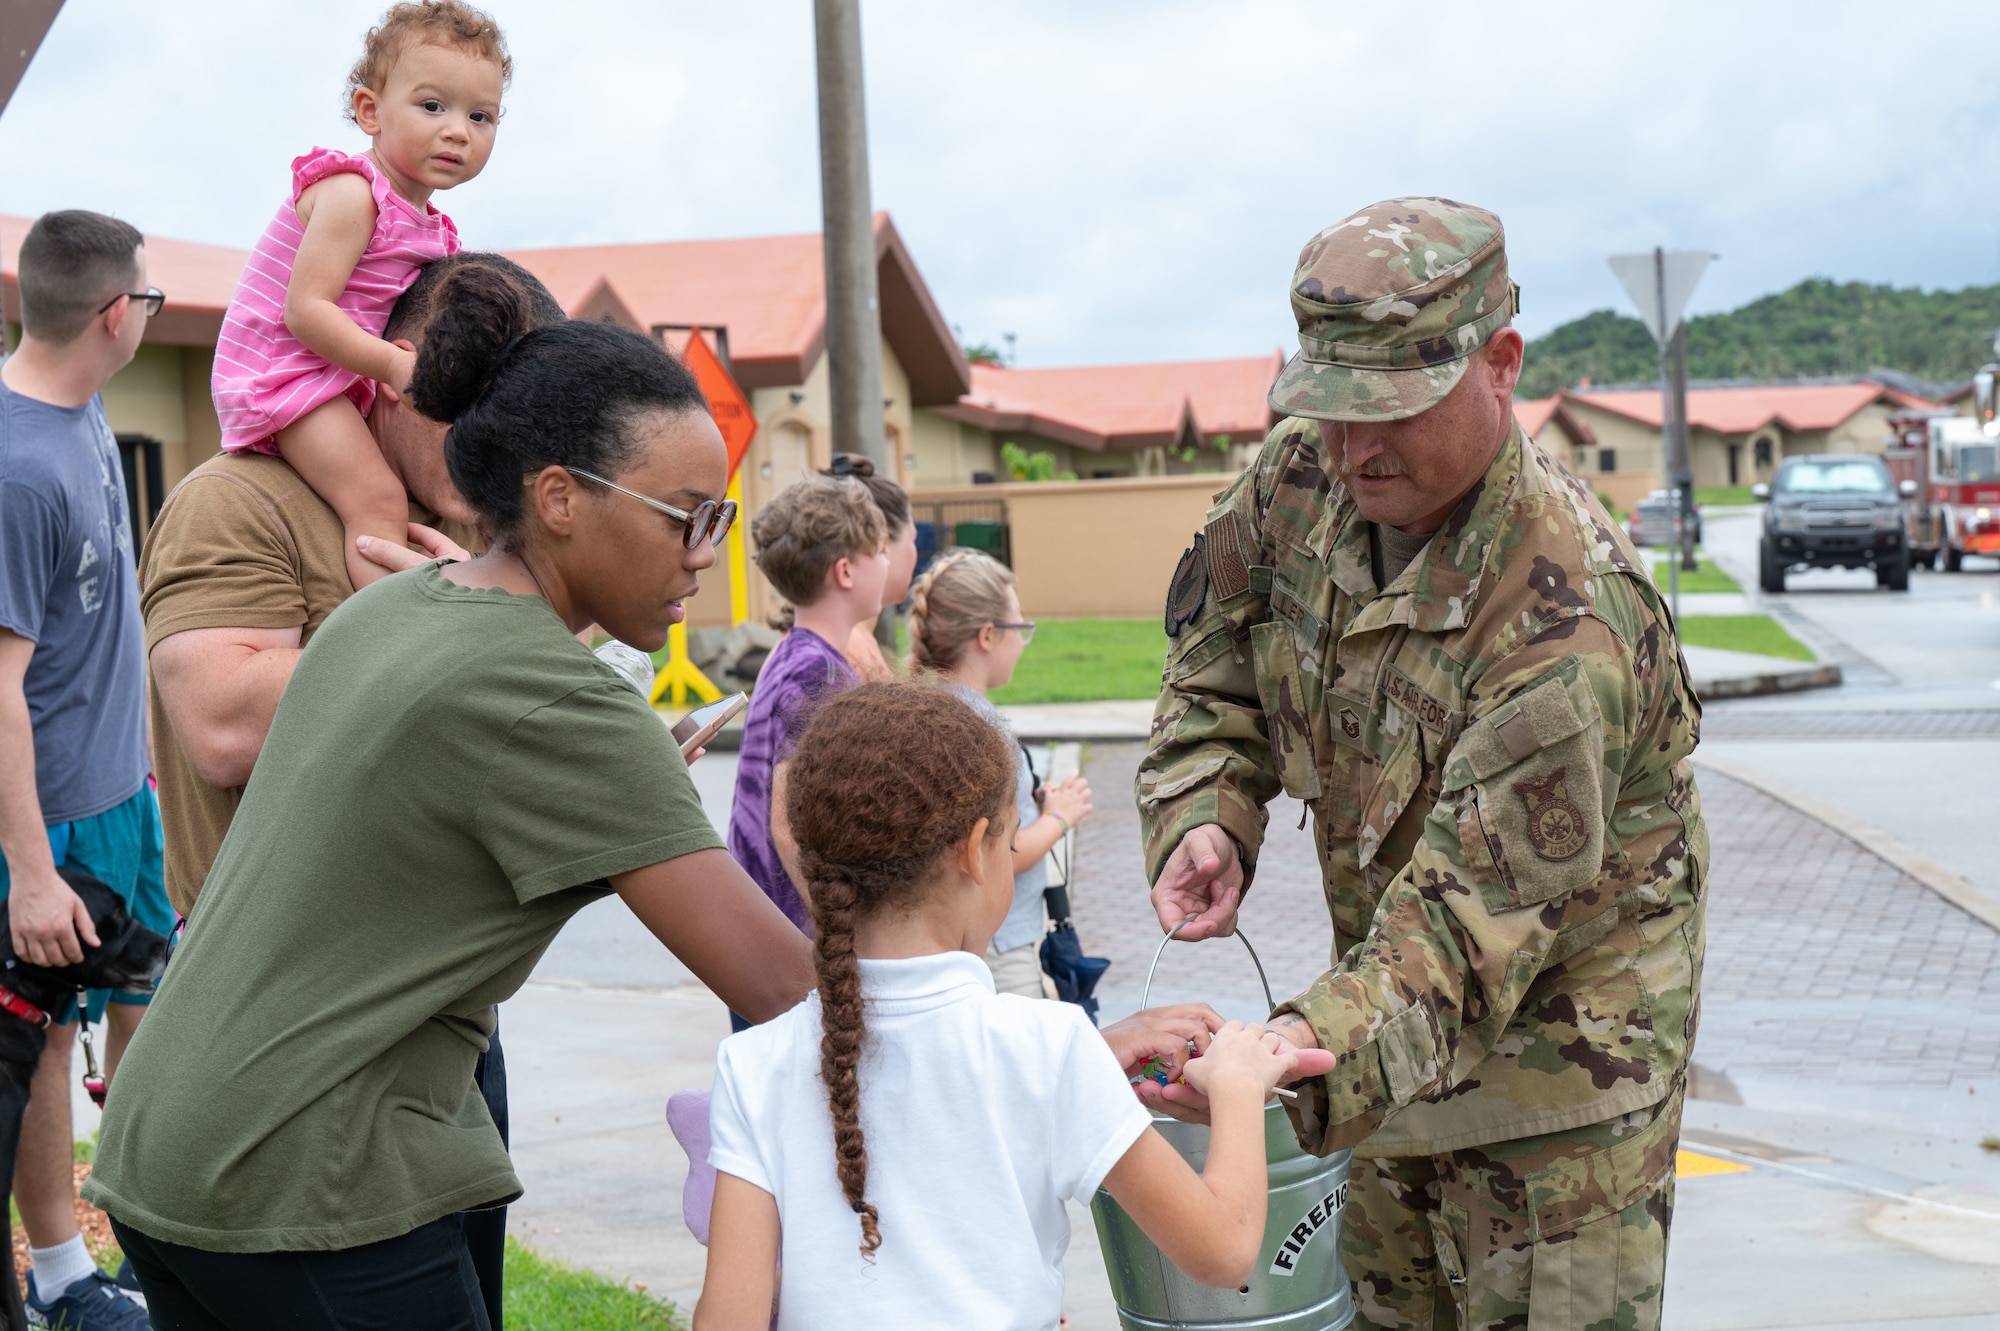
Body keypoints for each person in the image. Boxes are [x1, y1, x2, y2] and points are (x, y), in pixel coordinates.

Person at [84, 309, 814, 1326]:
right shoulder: (560, 695)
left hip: (169, 1141)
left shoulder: (396, 602)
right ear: (557, 497)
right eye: (684, 516)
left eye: (718, 521)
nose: (702, 554)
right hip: (306, 1176)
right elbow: (782, 984)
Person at [1137, 199, 1706, 1331]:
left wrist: (1277, 1062)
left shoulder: (1563, 617)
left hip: (1555, 1119)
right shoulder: (1299, 480)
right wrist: (1208, 809)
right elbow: (1212, 665)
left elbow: (1455, 937)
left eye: (1388, 411)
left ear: (1500, 365)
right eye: (1327, 409)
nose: (1350, 449)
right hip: (1386, 1068)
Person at [142, 249, 558, 1327]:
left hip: (445, 1031)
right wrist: (438, 614)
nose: (482, 444)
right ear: (383, 373)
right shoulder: (239, 497)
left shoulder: (461, 515)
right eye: (460, 407)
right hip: (285, 1044)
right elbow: (221, 722)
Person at [694, 683, 1330, 1329]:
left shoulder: (752, 1063)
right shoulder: (1051, 1046)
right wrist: (1239, 1085)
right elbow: (1223, 1250)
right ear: (976, 849)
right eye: (1011, 838)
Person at [0, 209, 173, 1329]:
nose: (150, 311)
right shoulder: (17, 469)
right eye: (147, 298)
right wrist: (29, 872)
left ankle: (154, 1226)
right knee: (48, 1043)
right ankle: (65, 1275)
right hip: (46, 822)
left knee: (150, 997)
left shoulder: (87, 409)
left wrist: (146, 774)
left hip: (121, 797)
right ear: (115, 315)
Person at [211, 0, 507, 591]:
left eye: (481, 116)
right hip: (285, 373)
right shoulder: (354, 193)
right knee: (377, 499)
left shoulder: (436, 228)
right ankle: (386, 637)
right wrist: (395, 365)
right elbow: (305, 311)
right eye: (432, 106)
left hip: (341, 375)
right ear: (370, 111)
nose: (457, 130)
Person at [908, 548, 1094, 997]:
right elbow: (998, 855)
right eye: (1020, 628)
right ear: (988, 635)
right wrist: (1060, 816)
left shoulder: (923, 714)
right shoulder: (986, 733)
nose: (1023, 641)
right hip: (1001, 945)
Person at [726, 474, 889, 939]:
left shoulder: (795, 654)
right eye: (878, 549)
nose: (886, 559)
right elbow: (786, 825)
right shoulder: (816, 672)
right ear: (845, 572)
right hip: (787, 935)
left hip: (765, 924)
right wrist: (839, 932)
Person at [819, 453, 918, 681]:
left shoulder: (855, 639)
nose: (914, 552)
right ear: (881, 543)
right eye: (911, 539)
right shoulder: (847, 648)